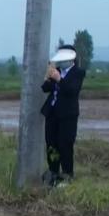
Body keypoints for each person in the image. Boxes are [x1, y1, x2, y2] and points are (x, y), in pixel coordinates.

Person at [40, 44, 86, 185]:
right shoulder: (57, 71)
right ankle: (53, 171)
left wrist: (59, 79)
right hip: (52, 113)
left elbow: (72, 91)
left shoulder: (78, 73)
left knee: (65, 144)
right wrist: (48, 77)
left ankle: (67, 174)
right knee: (51, 144)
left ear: (71, 59)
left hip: (68, 115)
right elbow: (45, 89)